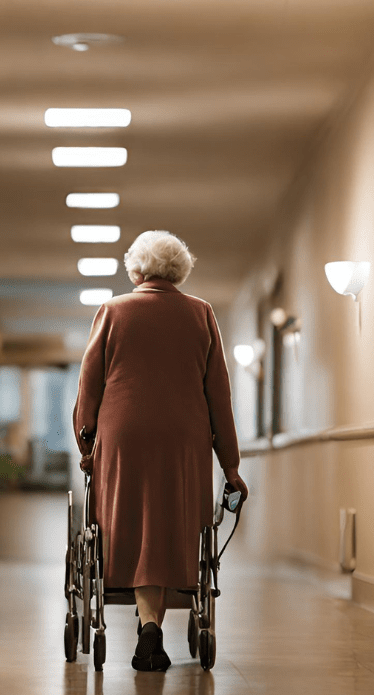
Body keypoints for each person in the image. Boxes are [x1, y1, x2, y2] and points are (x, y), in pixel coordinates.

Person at [73, 230, 249, 672]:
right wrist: (230, 465)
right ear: (180, 270)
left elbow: (88, 388)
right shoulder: (201, 314)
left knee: (127, 518)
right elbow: (218, 396)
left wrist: (87, 442)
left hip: (123, 437)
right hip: (183, 440)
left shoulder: (112, 311)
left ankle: (148, 624)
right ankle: (153, 624)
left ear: (136, 269)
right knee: (173, 520)